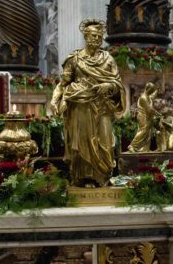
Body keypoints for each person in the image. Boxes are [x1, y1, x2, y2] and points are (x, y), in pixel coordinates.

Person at [49, 19, 125, 187]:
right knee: (82, 143)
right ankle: (84, 178)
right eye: (93, 36)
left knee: (105, 143)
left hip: (103, 107)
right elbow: (63, 84)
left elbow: (118, 85)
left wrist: (108, 86)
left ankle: (103, 175)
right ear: (85, 36)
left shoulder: (108, 59)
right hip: (80, 107)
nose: (96, 39)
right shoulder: (74, 59)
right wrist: (55, 100)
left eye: (99, 36)